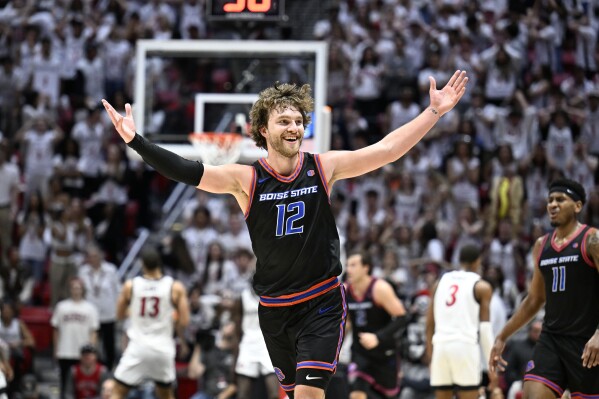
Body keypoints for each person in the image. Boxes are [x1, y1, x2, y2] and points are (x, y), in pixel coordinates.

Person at [102, 70, 468, 399]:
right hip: (275, 309)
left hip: (322, 302)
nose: (293, 128)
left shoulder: (322, 167)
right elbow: (186, 170)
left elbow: (386, 150)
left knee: (309, 396)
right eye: (284, 121)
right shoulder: (246, 178)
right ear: (264, 129)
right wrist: (137, 141)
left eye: (298, 121)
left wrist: (433, 112)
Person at [490, 178, 599, 398]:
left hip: (587, 341)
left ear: (577, 206)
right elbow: (534, 300)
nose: (553, 204)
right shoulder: (542, 245)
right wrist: (503, 336)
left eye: (561, 199)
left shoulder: (592, 240)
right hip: (552, 340)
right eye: (550, 200)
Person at [111, 247, 190, 399]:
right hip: (162, 348)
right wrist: (170, 318)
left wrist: (134, 312)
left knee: (117, 392)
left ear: (142, 264)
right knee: (166, 394)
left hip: (138, 347)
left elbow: (119, 315)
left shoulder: (131, 286)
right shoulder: (175, 287)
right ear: (159, 264)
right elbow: (185, 321)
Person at [425, 244, 495, 399]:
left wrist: (430, 357)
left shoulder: (439, 283)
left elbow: (429, 324)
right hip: (464, 347)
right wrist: (492, 366)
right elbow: (484, 330)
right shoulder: (482, 286)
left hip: (440, 348)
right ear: (478, 262)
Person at [344, 251, 408, 399]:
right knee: (356, 394)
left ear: (366, 268)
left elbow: (402, 317)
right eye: (347, 265)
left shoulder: (380, 288)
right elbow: (347, 322)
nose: (348, 269)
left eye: (353, 265)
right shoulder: (345, 290)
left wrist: (378, 337)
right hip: (360, 353)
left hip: (384, 353)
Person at [51, 277, 100, 399]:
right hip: (65, 351)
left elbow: (94, 331)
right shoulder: (61, 306)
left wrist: (91, 351)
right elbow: (56, 330)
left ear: (83, 290)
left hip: (82, 353)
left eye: (78, 288)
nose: (76, 290)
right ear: (70, 289)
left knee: (81, 384)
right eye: (73, 287)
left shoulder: (90, 308)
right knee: (64, 384)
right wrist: (56, 349)